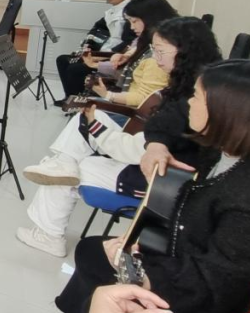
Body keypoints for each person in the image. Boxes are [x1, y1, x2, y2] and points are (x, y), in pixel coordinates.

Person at [56, 60, 250, 313]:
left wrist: (135, 269)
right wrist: (156, 145)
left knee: (95, 271)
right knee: (93, 251)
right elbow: (169, 116)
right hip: (190, 264)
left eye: (196, 97)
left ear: (227, 111)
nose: (188, 103)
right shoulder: (231, 151)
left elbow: (217, 286)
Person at [86, 125, 250, 313]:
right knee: (94, 262)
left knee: (96, 289)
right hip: (196, 281)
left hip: (204, 310)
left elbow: (220, 282)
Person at [17, 17, 221, 257]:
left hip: (161, 183)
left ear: (185, 51)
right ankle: (63, 161)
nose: (156, 58)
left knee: (67, 171)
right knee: (74, 146)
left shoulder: (190, 104)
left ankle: (49, 235)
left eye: (160, 51)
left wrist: (94, 128)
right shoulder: (198, 85)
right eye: (153, 50)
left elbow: (136, 151)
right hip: (157, 164)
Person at [55, 0, 134, 104]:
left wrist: (102, 56)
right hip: (103, 52)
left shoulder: (129, 13)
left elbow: (128, 42)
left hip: (113, 57)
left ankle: (78, 102)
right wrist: (89, 42)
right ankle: (70, 97)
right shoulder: (113, 11)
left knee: (75, 69)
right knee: (62, 60)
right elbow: (98, 26)